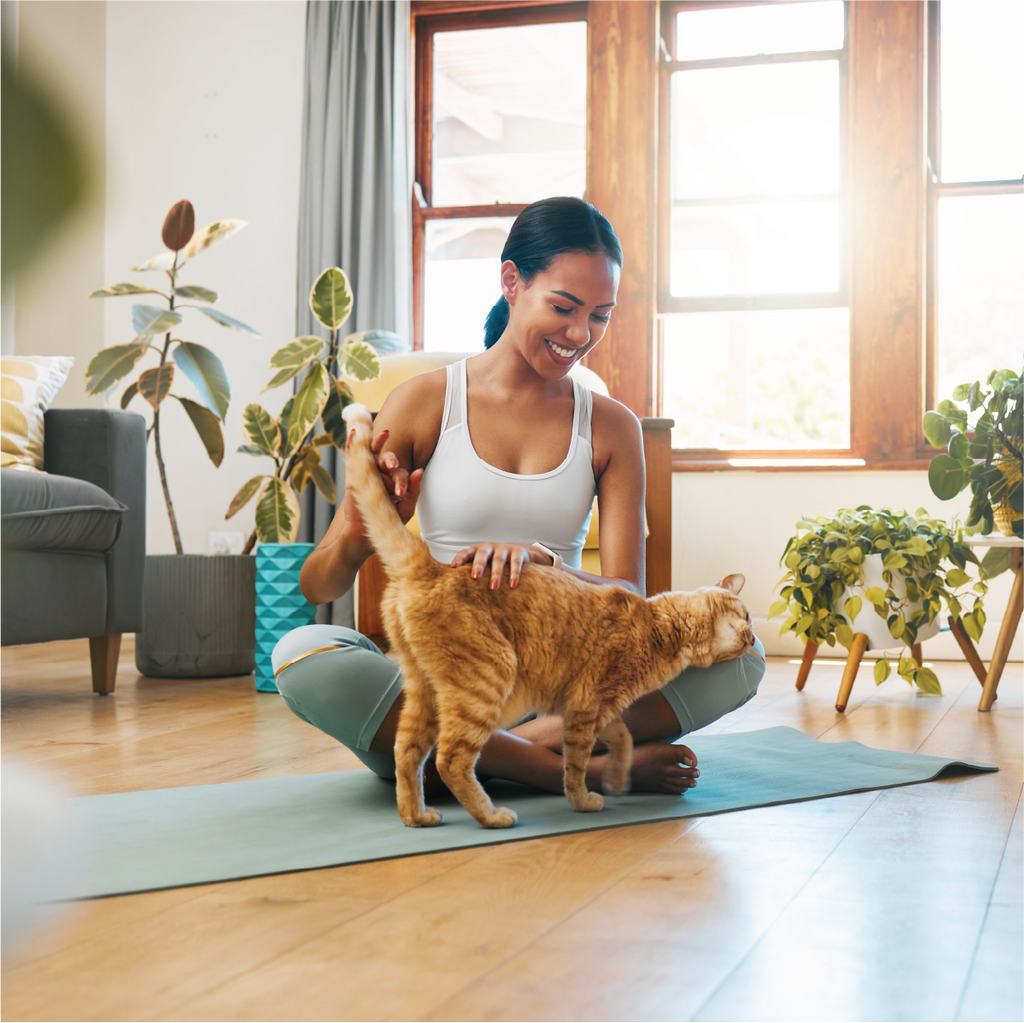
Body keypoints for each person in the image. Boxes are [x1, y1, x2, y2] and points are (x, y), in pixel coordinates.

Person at [272, 196, 765, 797]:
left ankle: (462, 757)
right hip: (456, 672)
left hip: (565, 690)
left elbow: (628, 596)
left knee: (742, 657)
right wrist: (354, 531)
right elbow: (317, 587)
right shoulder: (425, 403)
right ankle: (566, 768)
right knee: (304, 651)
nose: (581, 334)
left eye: (601, 316)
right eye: (563, 307)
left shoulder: (611, 427)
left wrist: (546, 563)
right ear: (511, 280)